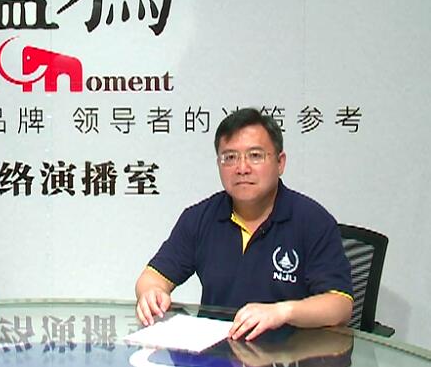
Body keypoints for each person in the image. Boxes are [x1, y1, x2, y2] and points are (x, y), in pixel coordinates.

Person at [135, 108, 353, 340]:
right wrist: (152, 293)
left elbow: (340, 305)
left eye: (255, 156)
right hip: (216, 351)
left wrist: (282, 312)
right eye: (230, 157)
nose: (242, 168)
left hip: (289, 353)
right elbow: (152, 277)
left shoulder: (312, 221)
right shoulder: (199, 218)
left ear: (280, 163)